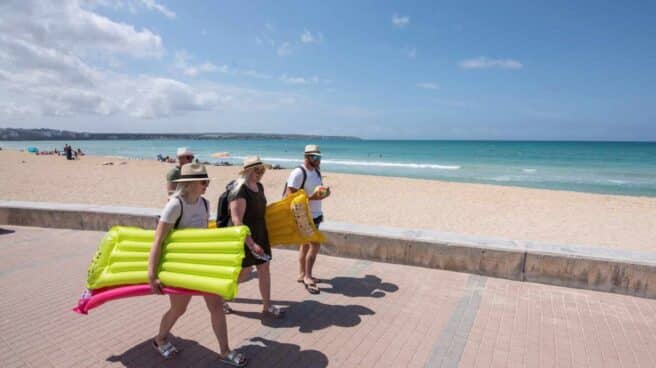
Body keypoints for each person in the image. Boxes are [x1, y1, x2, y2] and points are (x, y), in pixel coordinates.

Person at [148, 163, 247, 366]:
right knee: (178, 309)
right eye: (204, 182)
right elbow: (158, 240)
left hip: (201, 266)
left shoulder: (204, 203)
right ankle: (160, 339)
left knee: (216, 306)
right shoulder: (175, 205)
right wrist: (152, 274)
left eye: (207, 181)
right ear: (190, 184)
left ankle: (225, 351)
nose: (207, 185)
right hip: (179, 268)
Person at [224, 156, 283, 318]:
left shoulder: (259, 187)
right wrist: (251, 244)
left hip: (260, 234)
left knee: (264, 269)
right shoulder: (239, 191)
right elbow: (237, 221)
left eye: (262, 170)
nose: (261, 173)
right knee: (244, 272)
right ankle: (220, 295)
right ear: (248, 171)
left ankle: (267, 306)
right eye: (257, 170)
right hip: (245, 238)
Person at [284, 145, 331, 294]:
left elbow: (317, 190)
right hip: (304, 216)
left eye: (319, 157)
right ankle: (308, 276)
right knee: (315, 245)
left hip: (316, 214)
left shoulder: (317, 171)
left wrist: (324, 193)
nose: (318, 160)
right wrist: (312, 198)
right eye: (315, 157)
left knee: (305, 245)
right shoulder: (298, 173)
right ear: (307, 157)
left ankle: (302, 274)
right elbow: (290, 197)